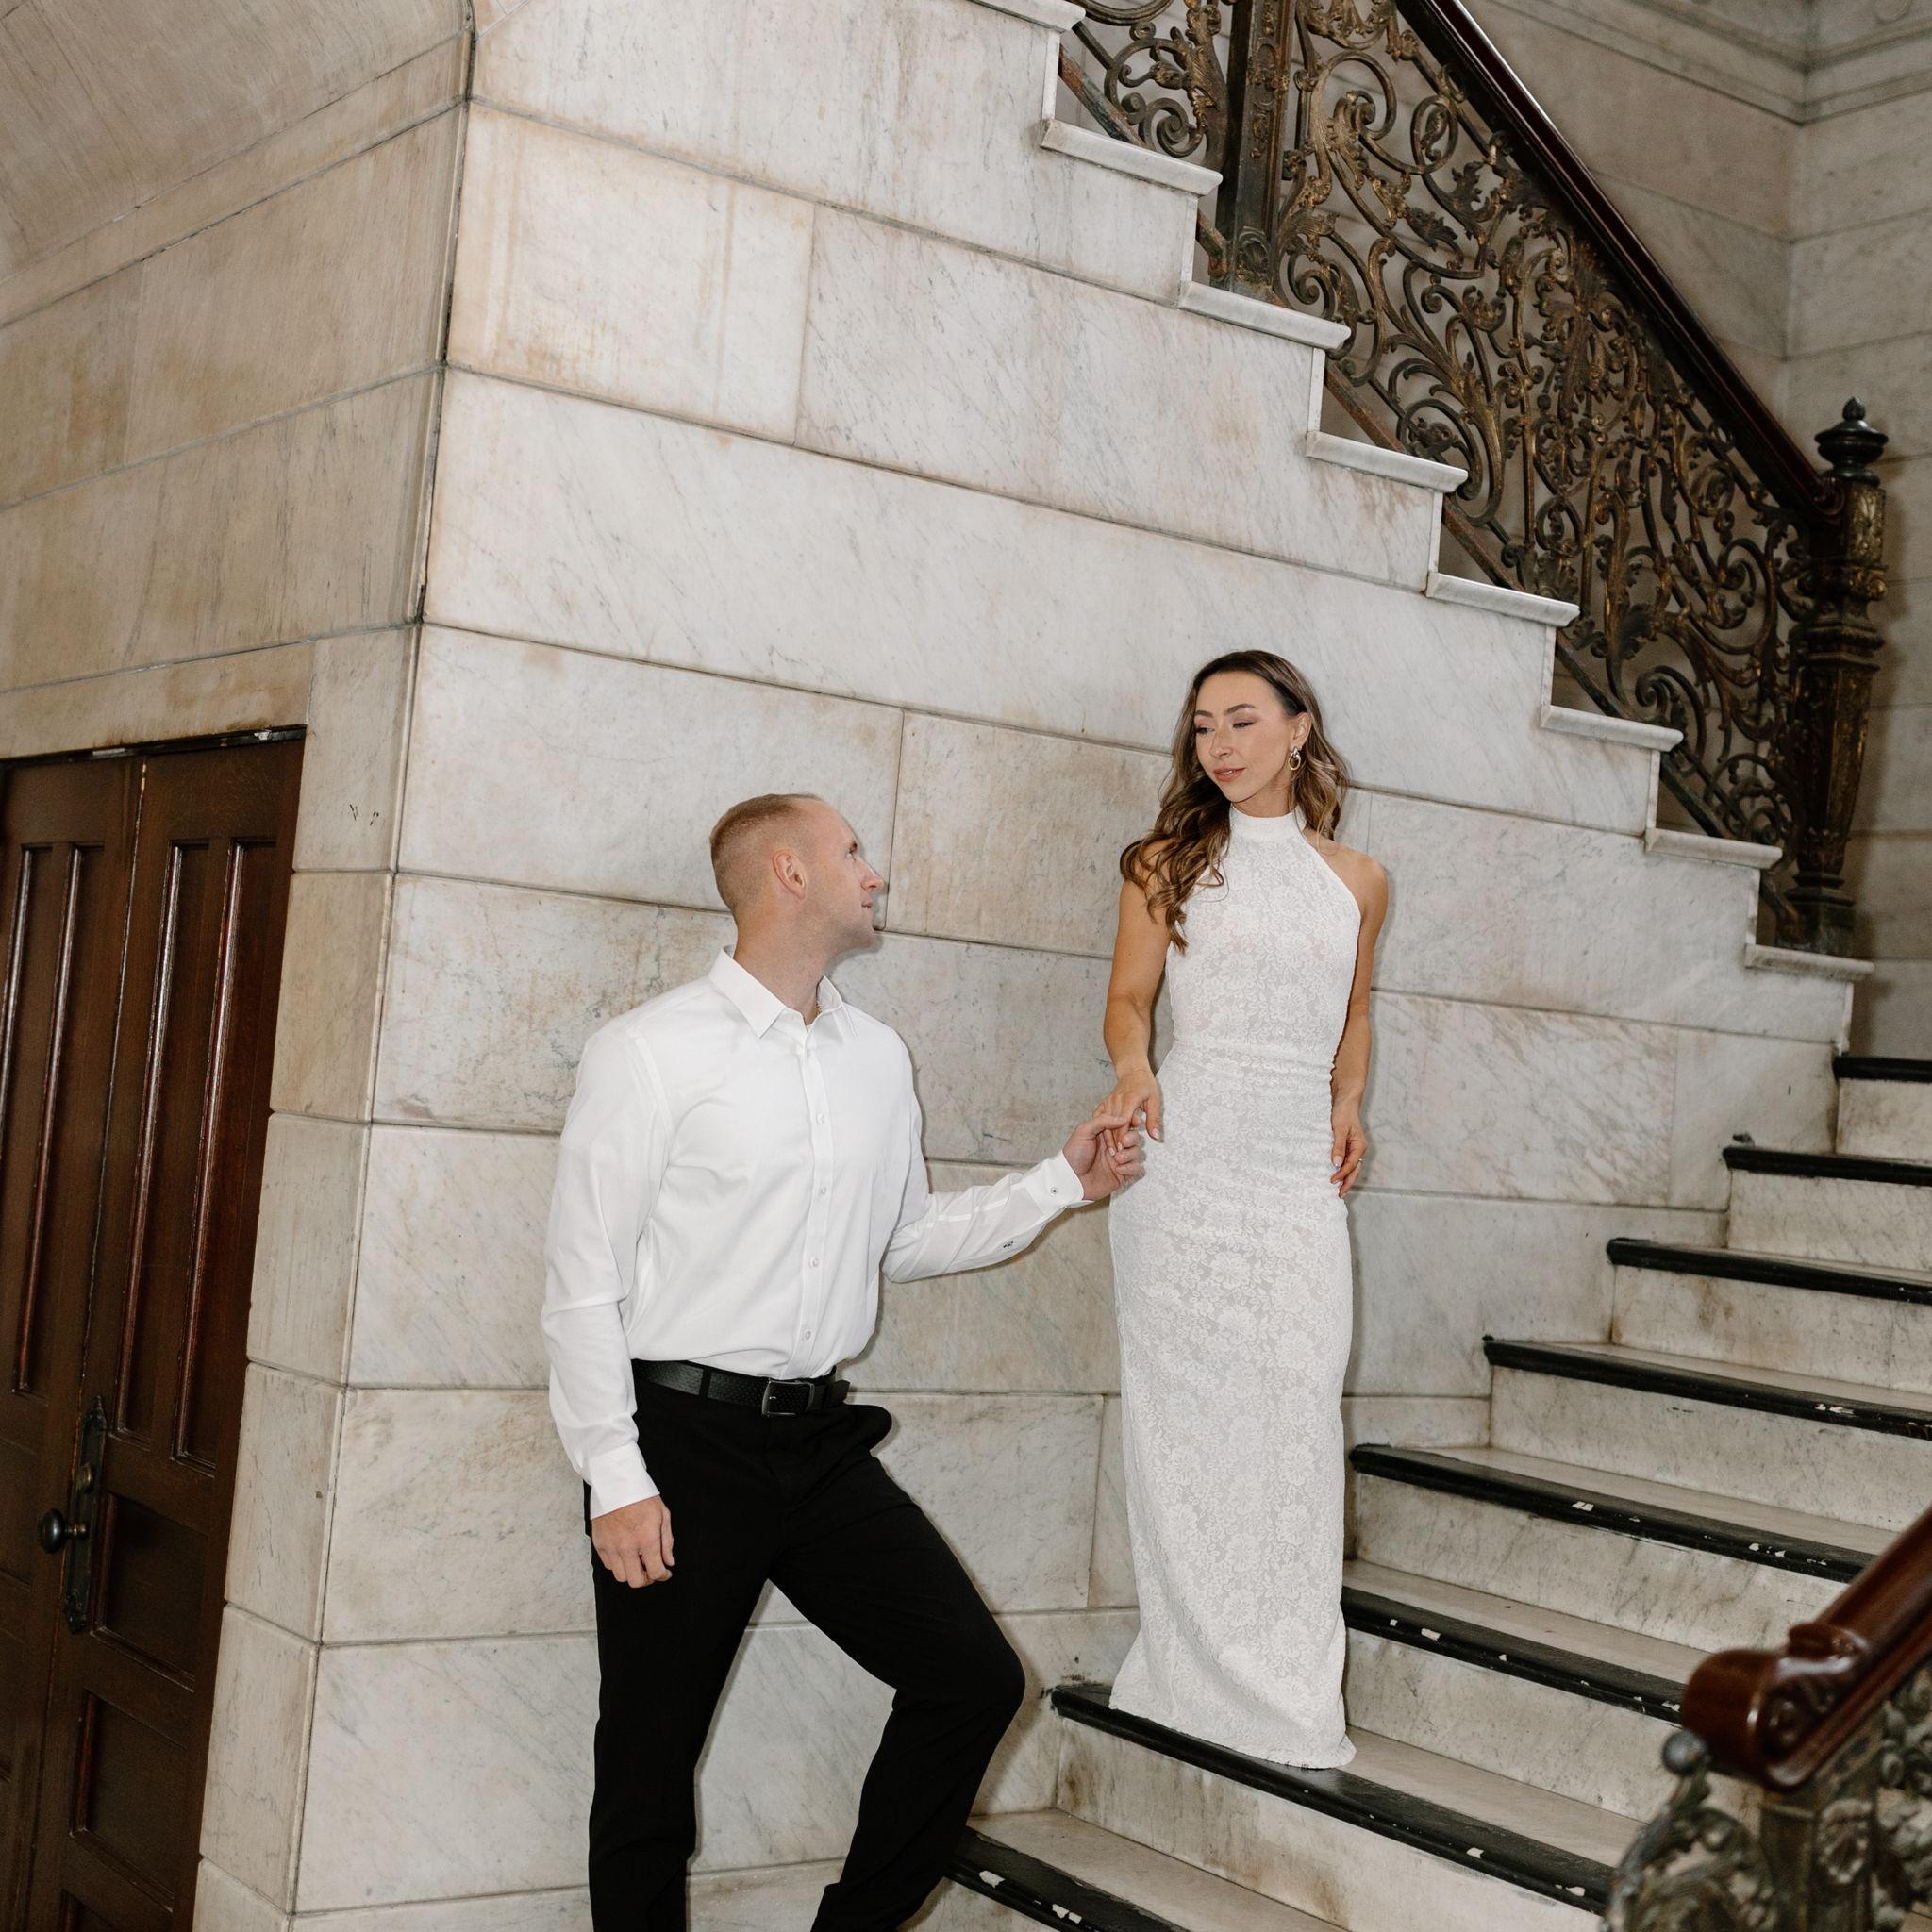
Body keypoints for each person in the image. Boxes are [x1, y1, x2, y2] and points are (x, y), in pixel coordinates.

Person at [541, 791, 1143, 1932]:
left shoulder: (875, 1054)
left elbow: (902, 1238)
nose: (874, 873)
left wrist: (1062, 1181)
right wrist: (614, 1474)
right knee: (648, 1763)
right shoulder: (649, 1051)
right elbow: (581, 1282)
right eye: (852, 851)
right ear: (787, 872)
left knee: (971, 1677)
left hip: (817, 1443)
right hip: (678, 1445)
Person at [1097, 650, 1387, 1766]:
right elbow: (1127, 1000)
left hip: (1292, 1170)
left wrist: (1346, 1100)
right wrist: (1134, 1068)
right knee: (1183, 1419)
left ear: (1298, 727)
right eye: (1202, 726)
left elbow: (1351, 1013)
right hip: (1186, 1157)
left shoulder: (1357, 878)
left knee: (1297, 1413)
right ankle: (1188, 1676)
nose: (1217, 744)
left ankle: (1286, 1691)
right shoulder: (1164, 862)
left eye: (1241, 720)